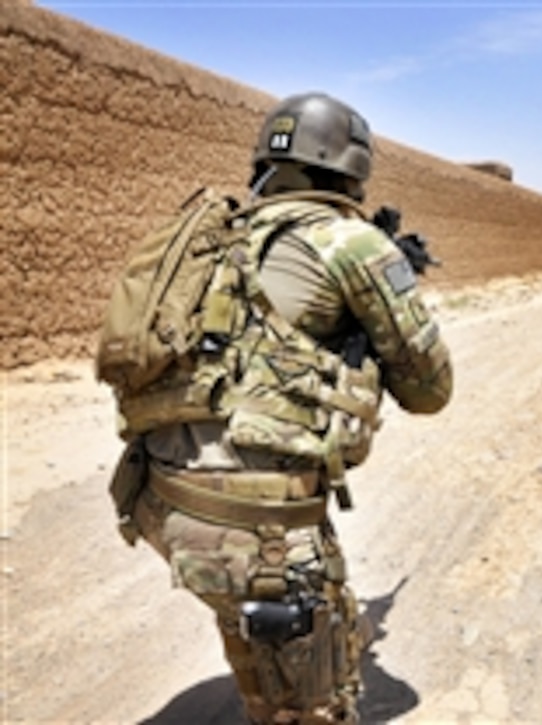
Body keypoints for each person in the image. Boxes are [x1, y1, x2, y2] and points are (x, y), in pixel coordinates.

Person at [103, 92, 453, 724]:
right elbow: (430, 391)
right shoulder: (352, 242)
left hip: (158, 498)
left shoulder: (222, 239)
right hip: (252, 525)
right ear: (351, 168)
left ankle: (270, 688)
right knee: (320, 705)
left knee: (278, 634)